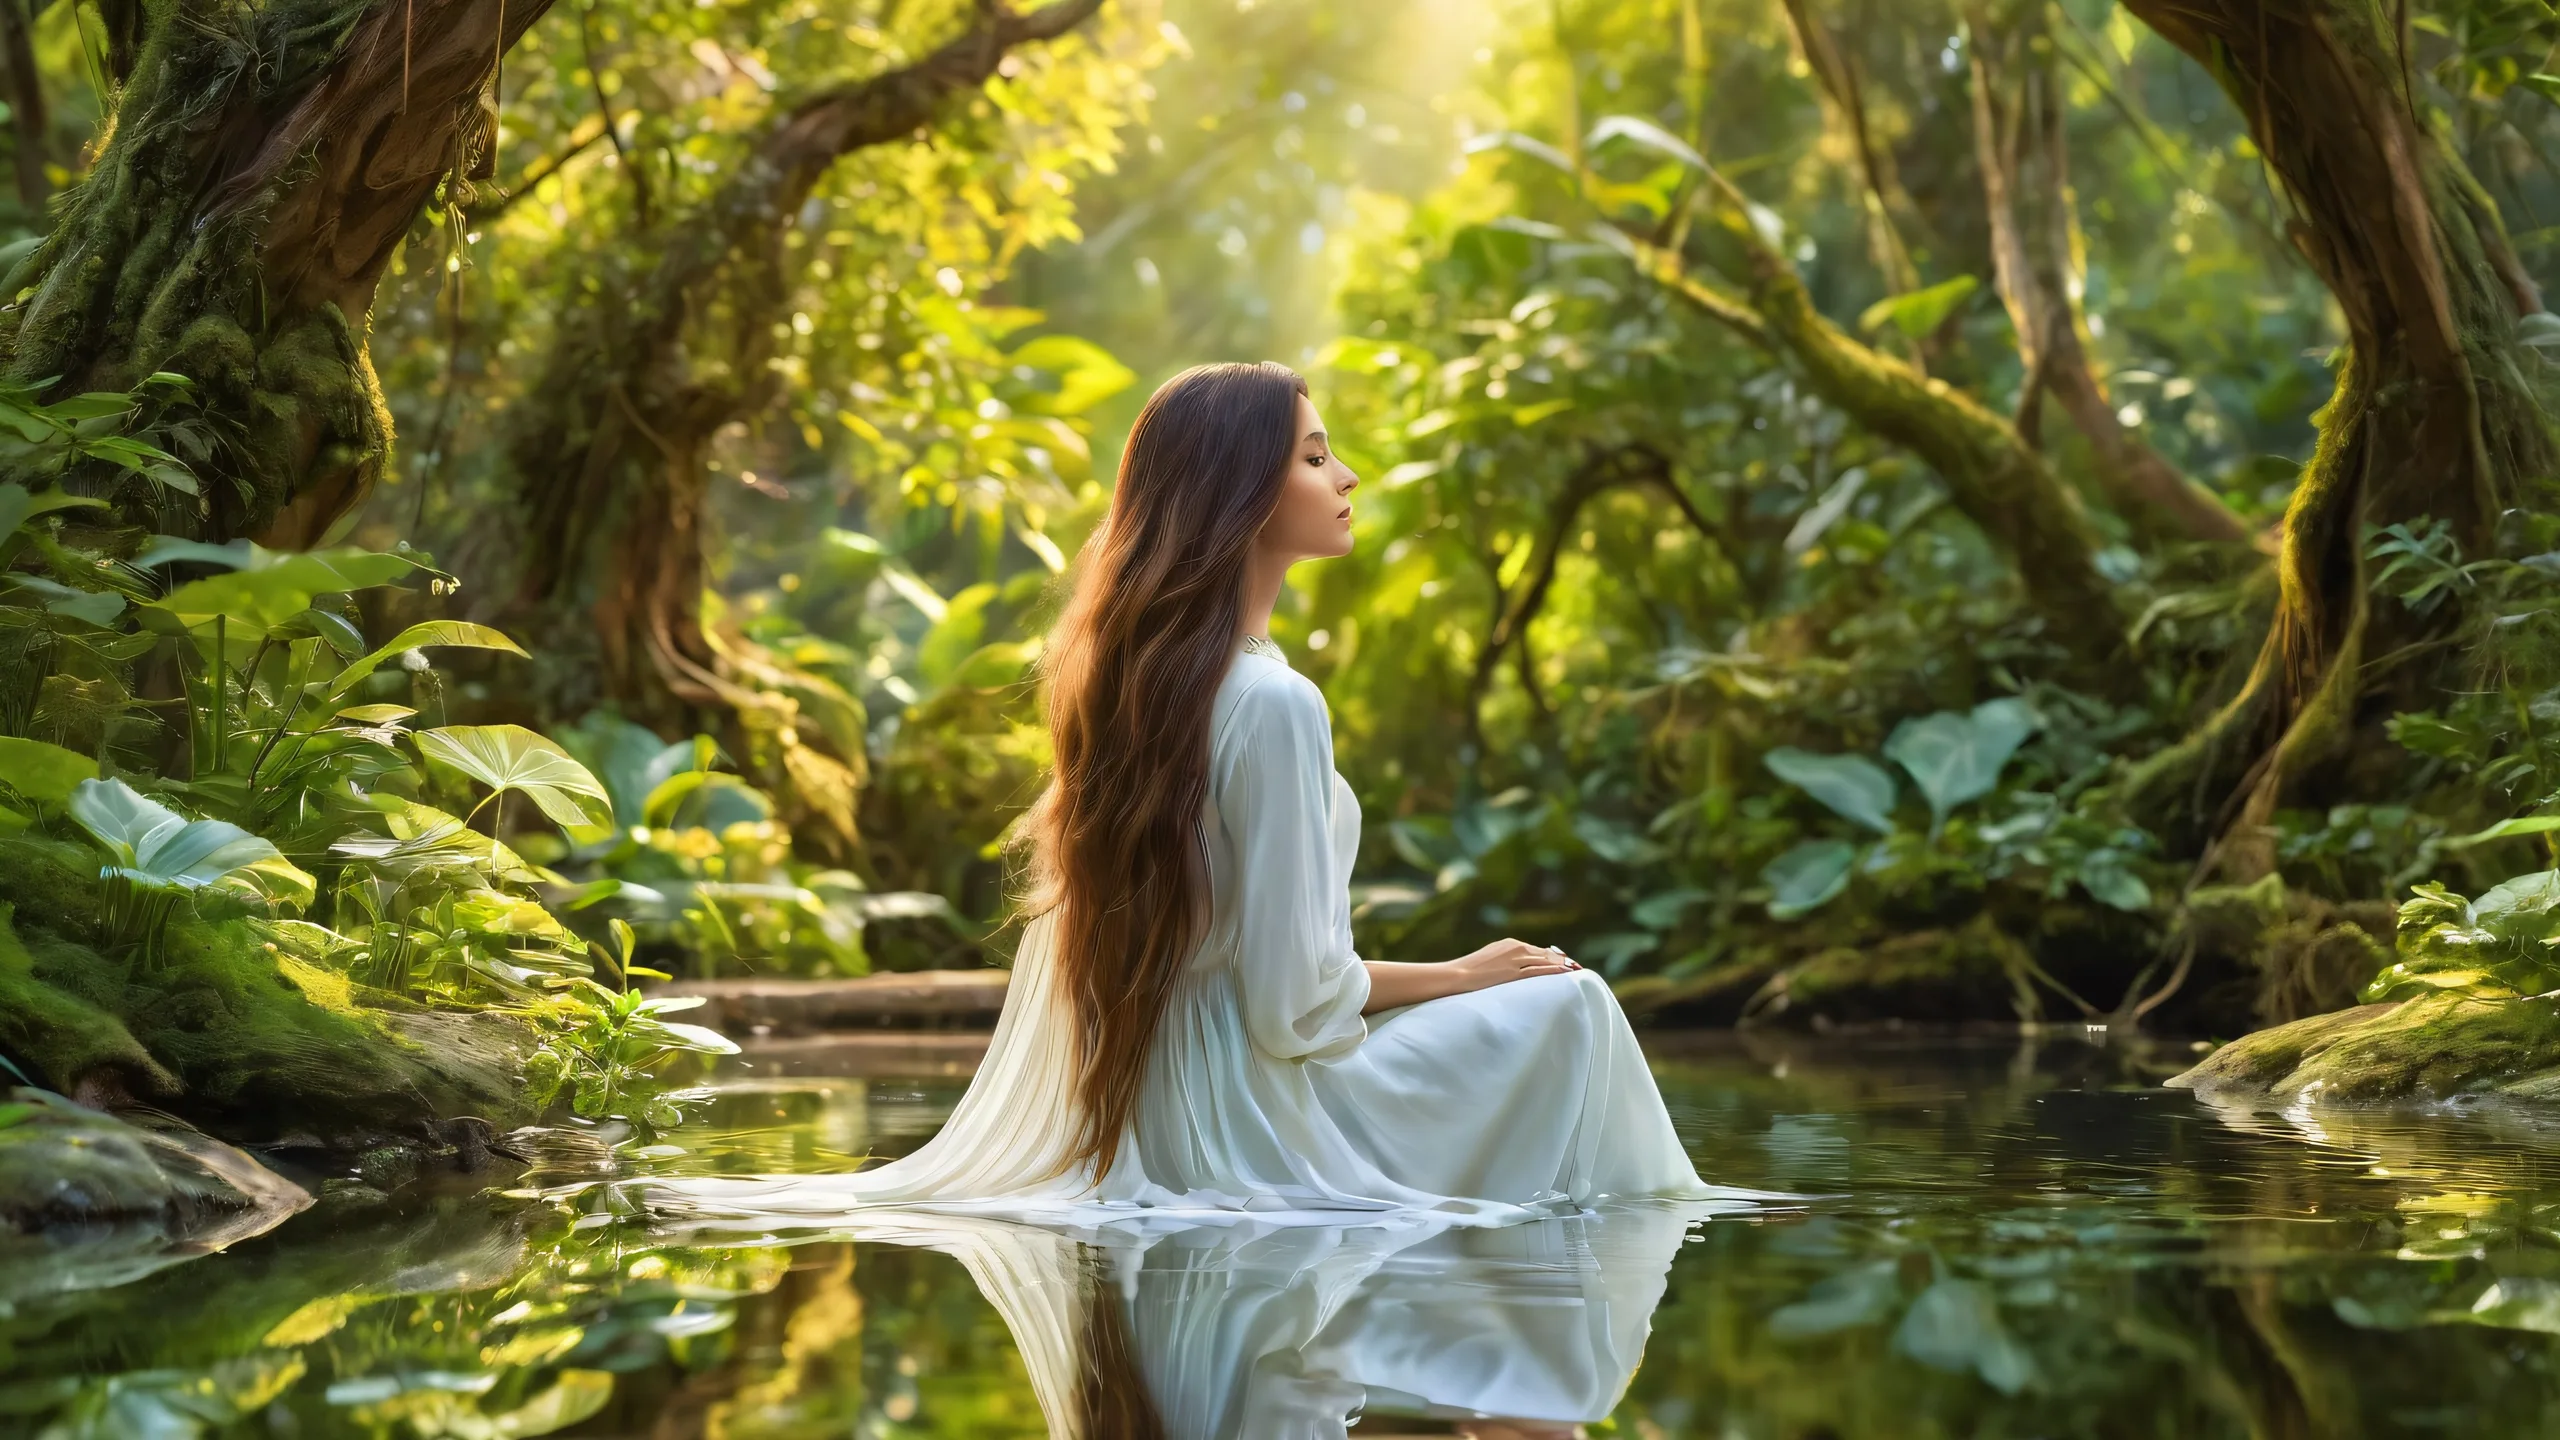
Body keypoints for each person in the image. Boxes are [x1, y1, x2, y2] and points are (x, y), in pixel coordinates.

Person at [652, 361, 1723, 1230]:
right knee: (1568, 1006)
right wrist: (1459, 974)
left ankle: (1495, 1375)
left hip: (1156, 1101)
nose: (1347, 474)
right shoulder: (1271, 700)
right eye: (1314, 456)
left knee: (1538, 1008)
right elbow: (1293, 1003)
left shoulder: (1154, 686)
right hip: (1253, 1113)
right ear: (1242, 492)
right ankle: (1563, 1321)